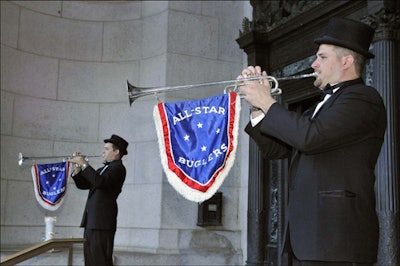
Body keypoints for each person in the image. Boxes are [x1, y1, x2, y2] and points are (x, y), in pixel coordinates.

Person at [238, 17, 387, 265]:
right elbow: (277, 149)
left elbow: (309, 137)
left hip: (336, 242)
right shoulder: (319, 107)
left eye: (322, 57)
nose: (314, 63)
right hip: (305, 239)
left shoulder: (363, 98)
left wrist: (268, 101)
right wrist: (256, 107)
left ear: (347, 61)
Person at [71, 134, 129, 266]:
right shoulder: (102, 169)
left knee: (100, 260)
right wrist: (78, 168)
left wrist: (85, 164)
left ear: (116, 152)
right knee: (90, 261)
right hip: (92, 222)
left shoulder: (118, 168)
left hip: (102, 223)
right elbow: (83, 185)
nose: (103, 151)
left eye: (107, 149)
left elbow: (100, 182)